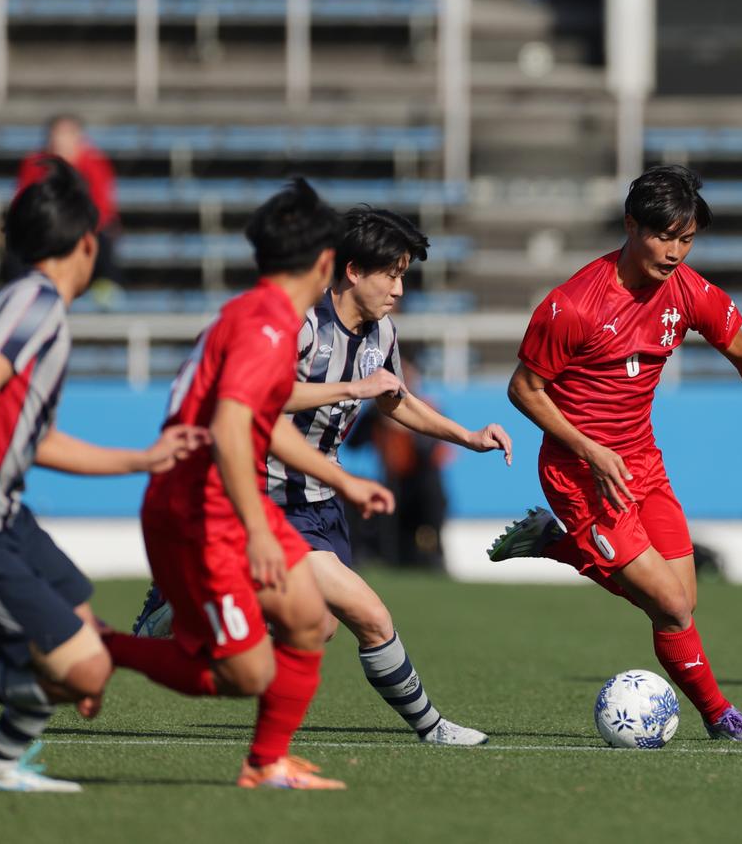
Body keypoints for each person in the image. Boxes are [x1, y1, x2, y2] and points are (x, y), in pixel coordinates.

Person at [135, 206, 512, 746]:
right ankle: (432, 728)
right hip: (267, 496)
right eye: (392, 273)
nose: (399, 289)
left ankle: (186, 605)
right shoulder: (302, 323)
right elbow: (261, 397)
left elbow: (395, 402)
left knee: (321, 626)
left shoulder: (382, 334)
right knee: (370, 616)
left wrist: (467, 436)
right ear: (354, 270)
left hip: (320, 502)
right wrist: (350, 389)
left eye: (404, 274)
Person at [0, 158, 204, 792]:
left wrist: (139, 459)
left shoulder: (37, 306)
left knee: (85, 627)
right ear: (88, 243)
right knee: (85, 670)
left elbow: (32, 437)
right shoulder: (36, 302)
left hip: (0, 510)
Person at [487, 165, 742, 742]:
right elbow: (522, 389)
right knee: (672, 607)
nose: (675, 252)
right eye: (663, 237)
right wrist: (589, 448)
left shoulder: (687, 289)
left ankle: (553, 544)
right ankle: (721, 718)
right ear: (631, 226)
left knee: (684, 601)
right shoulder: (573, 305)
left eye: (686, 239)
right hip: (579, 472)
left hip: (642, 464)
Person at [99, 180, 395, 789]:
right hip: (196, 511)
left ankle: (266, 763)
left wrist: (343, 480)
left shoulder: (256, 314)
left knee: (311, 622)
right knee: (245, 674)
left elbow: (264, 425)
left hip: (216, 502)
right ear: (324, 265)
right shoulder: (267, 327)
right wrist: (261, 530)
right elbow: (236, 431)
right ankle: (100, 647)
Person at [14, 115, 122, 303]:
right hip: (45, 230)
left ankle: (104, 285)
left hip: (83, 229)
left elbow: (103, 208)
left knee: (104, 237)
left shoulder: (95, 164)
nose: (60, 141)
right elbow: (23, 203)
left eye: (66, 134)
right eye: (57, 134)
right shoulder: (35, 163)